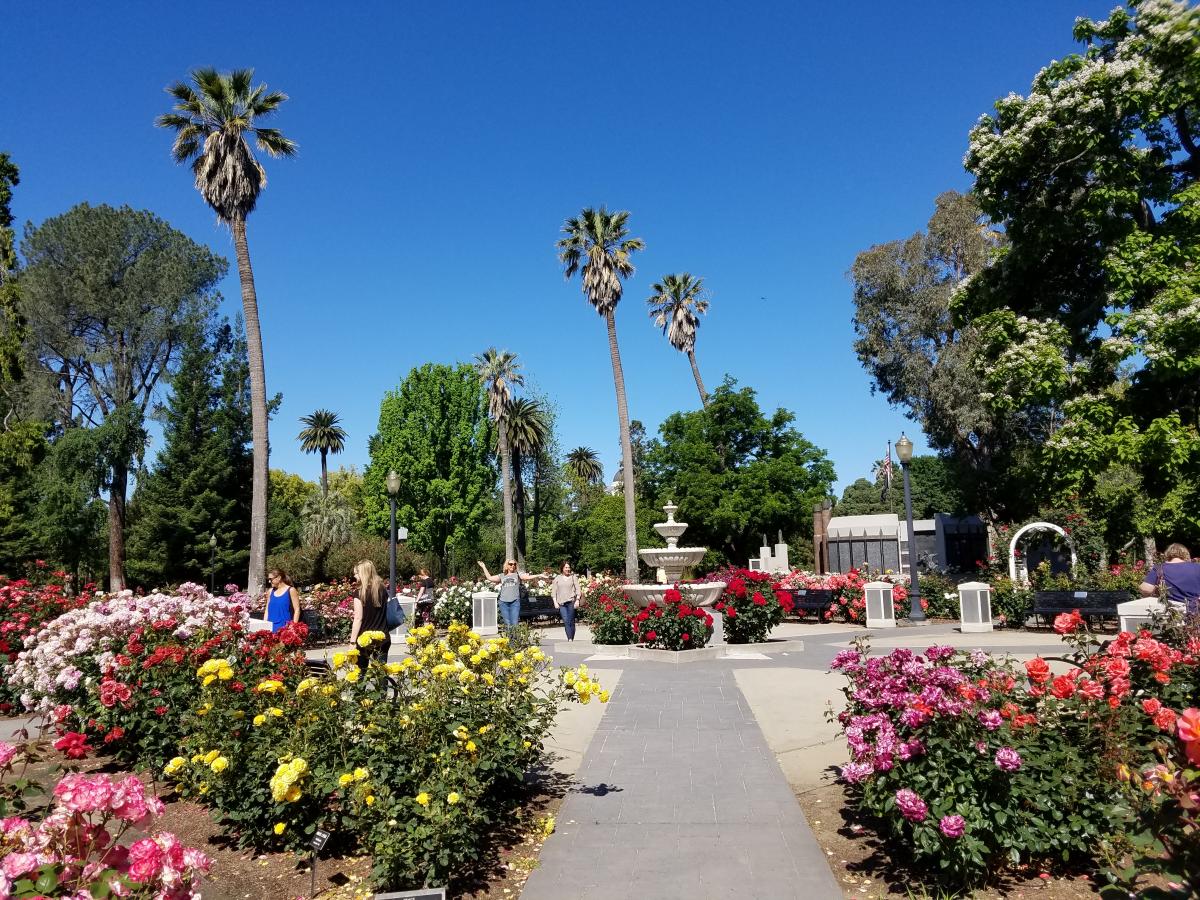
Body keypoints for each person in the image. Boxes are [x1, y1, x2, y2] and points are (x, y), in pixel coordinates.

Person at [350, 560, 391, 671]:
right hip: (382, 636)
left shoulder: (359, 593)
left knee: (360, 673)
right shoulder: (382, 590)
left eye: (356, 573)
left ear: (363, 573)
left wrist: (352, 642)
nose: (354, 576)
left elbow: (358, 618)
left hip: (364, 639)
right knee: (381, 674)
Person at [1140, 543, 1200, 615]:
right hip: (1195, 613)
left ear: (1167, 554)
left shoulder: (1159, 568)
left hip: (1170, 614)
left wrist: (1157, 591)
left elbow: (1145, 589)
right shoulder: (1197, 567)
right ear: (1186, 554)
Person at [477, 559, 539, 628]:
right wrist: (483, 566)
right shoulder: (502, 575)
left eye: (514, 564)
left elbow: (527, 577)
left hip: (515, 602)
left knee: (514, 623)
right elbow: (489, 578)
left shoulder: (518, 574)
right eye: (510, 564)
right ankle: (509, 638)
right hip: (503, 603)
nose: (513, 565)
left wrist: (539, 575)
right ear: (507, 565)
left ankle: (515, 638)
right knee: (507, 624)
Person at [551, 561, 581, 641]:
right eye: (566, 567)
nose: (568, 569)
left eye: (568, 567)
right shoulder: (557, 578)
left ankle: (571, 637)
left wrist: (577, 600)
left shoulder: (573, 577)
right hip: (561, 603)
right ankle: (569, 639)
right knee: (566, 621)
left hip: (571, 602)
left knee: (571, 621)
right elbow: (554, 591)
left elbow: (578, 589)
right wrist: (555, 602)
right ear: (562, 568)